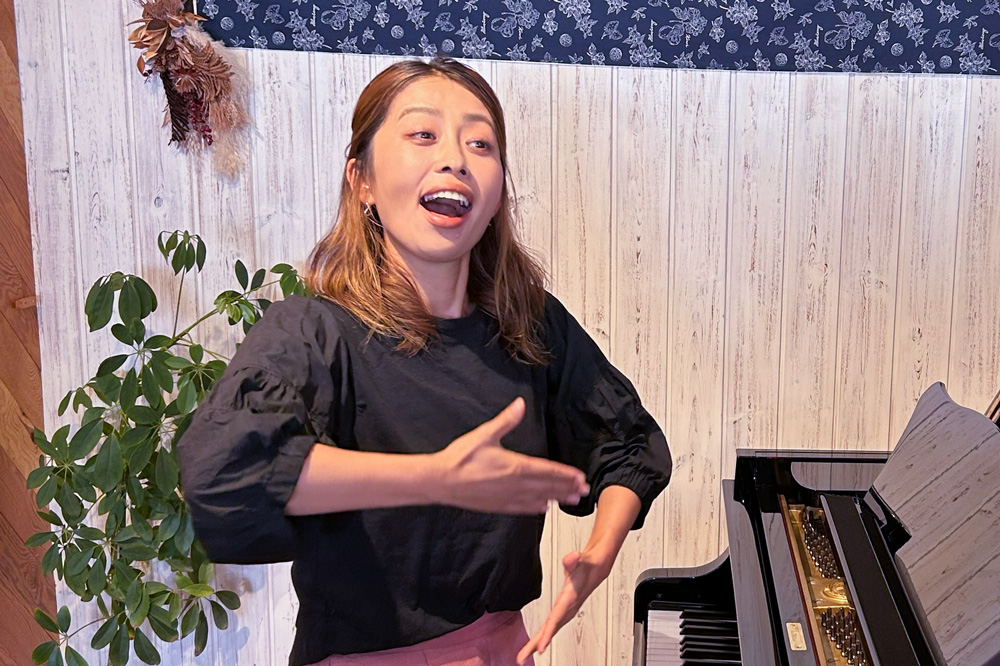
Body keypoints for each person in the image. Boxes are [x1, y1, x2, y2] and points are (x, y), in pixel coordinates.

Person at [177, 56, 672, 666]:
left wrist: (599, 555)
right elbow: (224, 474)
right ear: (362, 180)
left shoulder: (529, 323)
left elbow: (626, 442)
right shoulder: (311, 332)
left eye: (480, 143)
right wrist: (433, 477)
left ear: (497, 192)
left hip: (506, 652)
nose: (455, 158)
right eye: (422, 134)